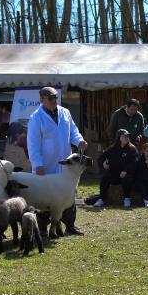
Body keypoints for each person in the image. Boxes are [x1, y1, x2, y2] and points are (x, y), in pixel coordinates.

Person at [27, 86, 88, 235]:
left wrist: (79, 140)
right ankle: (42, 228)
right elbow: (33, 143)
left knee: (68, 194)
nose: (54, 100)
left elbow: (73, 131)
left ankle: (70, 226)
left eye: (55, 97)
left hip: (66, 164)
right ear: (42, 100)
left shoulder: (65, 112)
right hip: (46, 165)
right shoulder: (36, 117)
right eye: (51, 98)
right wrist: (37, 164)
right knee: (44, 196)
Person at [94, 129, 139, 208]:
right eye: (124, 136)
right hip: (114, 174)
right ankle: (102, 199)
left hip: (126, 174)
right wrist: (103, 164)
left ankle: (127, 198)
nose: (127, 138)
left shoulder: (132, 149)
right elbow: (100, 159)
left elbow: (135, 162)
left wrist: (126, 170)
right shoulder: (112, 148)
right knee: (105, 178)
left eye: (128, 136)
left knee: (127, 177)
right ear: (119, 138)